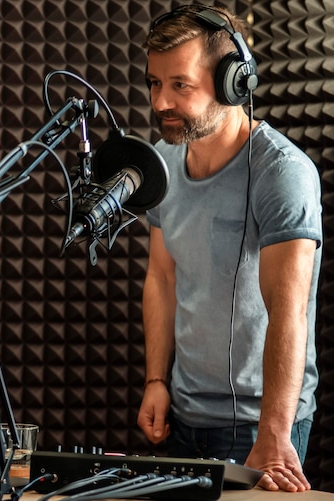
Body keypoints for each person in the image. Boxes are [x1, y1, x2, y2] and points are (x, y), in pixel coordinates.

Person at [136, 4, 322, 493]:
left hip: (259, 426)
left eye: (180, 85)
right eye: (155, 84)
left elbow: (289, 312)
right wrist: (157, 380)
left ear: (232, 83)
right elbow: (162, 276)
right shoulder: (162, 163)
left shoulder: (282, 173)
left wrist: (275, 433)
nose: (160, 104)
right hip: (184, 414)